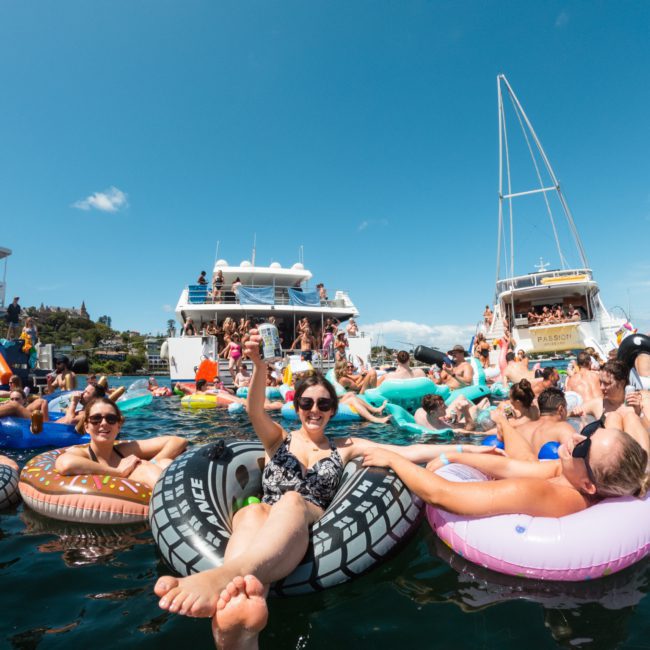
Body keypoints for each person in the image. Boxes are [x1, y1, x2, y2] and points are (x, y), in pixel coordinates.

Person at [153, 329, 502, 646]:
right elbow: (254, 409)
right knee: (249, 511)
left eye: (322, 404)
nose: (314, 410)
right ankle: (238, 624)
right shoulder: (277, 440)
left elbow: (409, 452)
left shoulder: (345, 446)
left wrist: (467, 449)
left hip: (307, 514)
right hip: (267, 517)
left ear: (333, 410)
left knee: (290, 500)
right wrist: (259, 364)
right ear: (297, 408)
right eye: (306, 404)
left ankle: (224, 578)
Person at [362, 420, 650, 523]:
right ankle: (503, 422)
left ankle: (502, 421)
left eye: (583, 449)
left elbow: (442, 494)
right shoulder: (570, 475)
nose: (576, 437)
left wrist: (394, 460)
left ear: (589, 485)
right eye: (589, 430)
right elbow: (510, 466)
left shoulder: (541, 492)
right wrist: (455, 453)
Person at [55, 397, 187, 489]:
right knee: (144, 468)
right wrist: (118, 472)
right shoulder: (82, 454)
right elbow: (65, 464)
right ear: (86, 426)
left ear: (118, 426)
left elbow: (178, 441)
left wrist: (152, 463)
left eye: (111, 419)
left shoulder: (125, 450)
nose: (104, 423)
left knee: (165, 463)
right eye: (96, 419)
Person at [497, 387, 575, 459]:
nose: (510, 401)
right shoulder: (534, 410)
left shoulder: (518, 428)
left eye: (511, 398)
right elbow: (576, 459)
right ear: (561, 409)